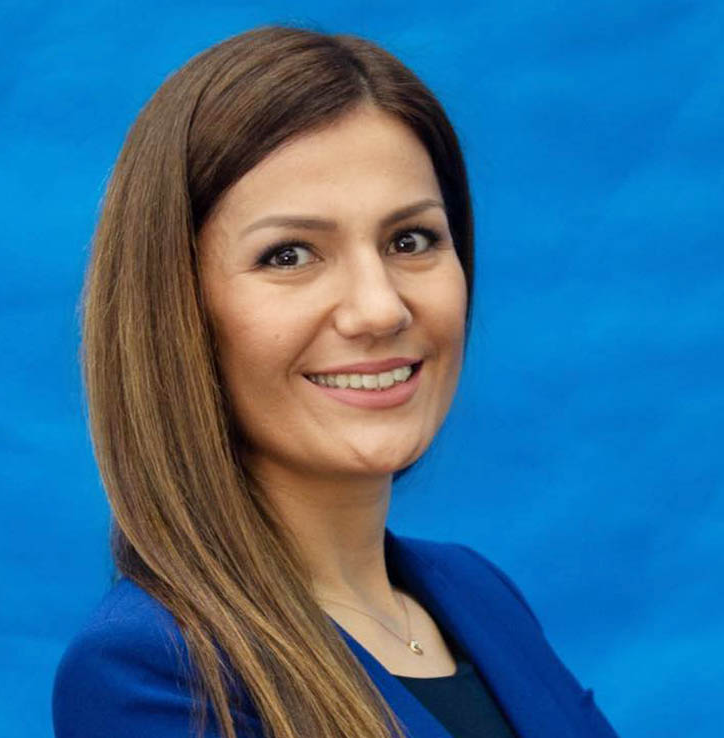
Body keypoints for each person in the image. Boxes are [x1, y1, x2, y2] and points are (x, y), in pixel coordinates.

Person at [52, 25, 619, 738]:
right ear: (176, 312)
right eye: (290, 255)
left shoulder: (479, 593)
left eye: (410, 240)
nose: (380, 309)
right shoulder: (153, 671)